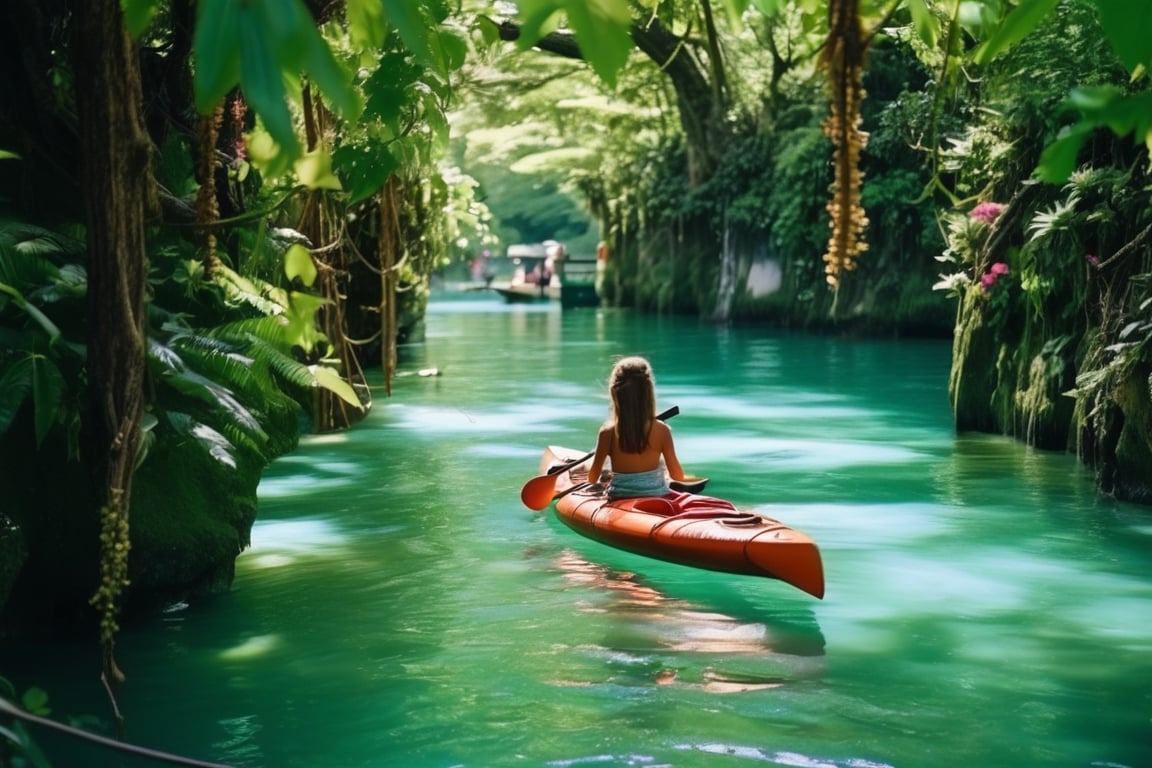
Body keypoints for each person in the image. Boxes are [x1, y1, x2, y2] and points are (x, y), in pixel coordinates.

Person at [587, 356, 687, 499]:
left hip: (619, 497)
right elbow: (678, 476)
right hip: (658, 497)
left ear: (615, 393)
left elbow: (592, 478)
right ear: (648, 393)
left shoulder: (607, 433)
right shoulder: (662, 430)